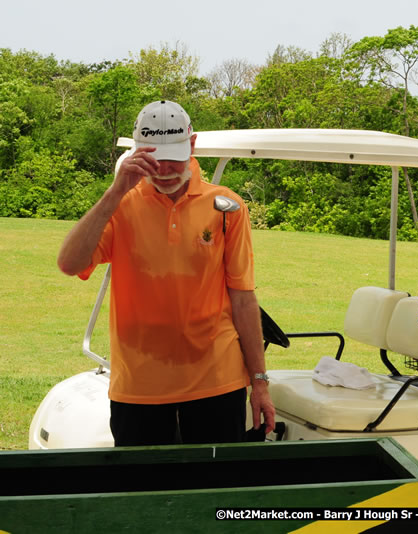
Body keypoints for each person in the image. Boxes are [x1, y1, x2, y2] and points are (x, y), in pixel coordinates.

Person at [57, 100, 274, 446]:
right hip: (138, 385)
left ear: (192, 144)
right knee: (143, 480)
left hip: (217, 381)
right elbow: (69, 263)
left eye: (174, 157)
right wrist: (114, 193)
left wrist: (259, 382)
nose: (165, 169)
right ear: (137, 153)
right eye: (154, 158)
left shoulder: (227, 206)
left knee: (215, 478)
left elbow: (243, 298)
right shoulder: (120, 204)